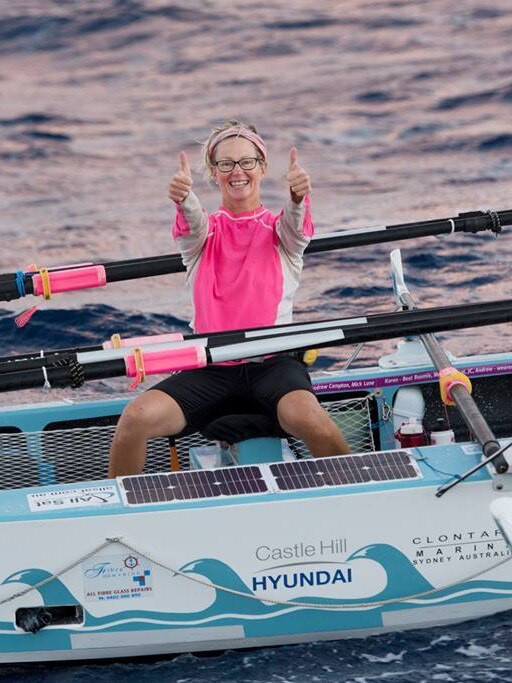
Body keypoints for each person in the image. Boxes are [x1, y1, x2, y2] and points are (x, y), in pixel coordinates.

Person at [108, 120, 350, 477]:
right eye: (226, 164)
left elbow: (296, 225)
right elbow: (192, 222)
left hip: (273, 365)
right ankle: (117, 522)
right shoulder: (202, 238)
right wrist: (183, 198)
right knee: (134, 418)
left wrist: (298, 197)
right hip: (211, 367)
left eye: (246, 162)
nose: (237, 172)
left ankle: (351, 496)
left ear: (262, 168)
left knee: (314, 420)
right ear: (214, 172)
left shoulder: (281, 231)